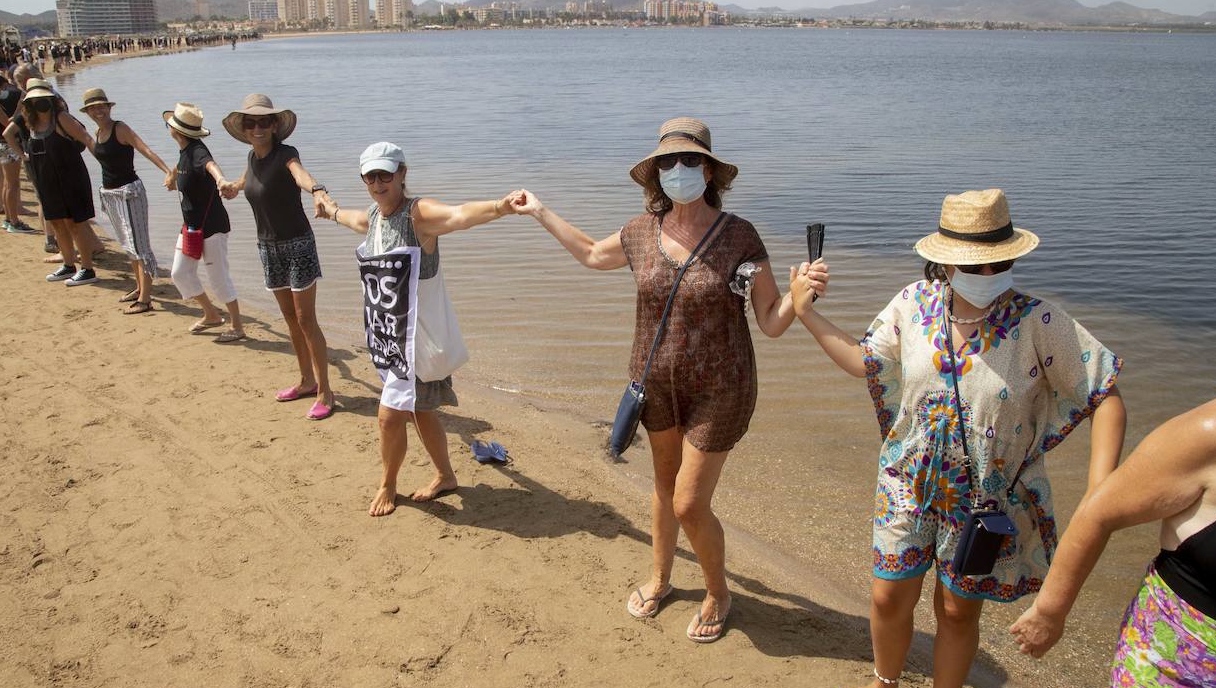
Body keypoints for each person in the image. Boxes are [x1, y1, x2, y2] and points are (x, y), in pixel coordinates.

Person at [789, 188, 1126, 688]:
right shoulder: (913, 304)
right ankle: (885, 686)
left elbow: (1105, 392)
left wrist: (1102, 493)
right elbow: (867, 362)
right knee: (887, 593)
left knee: (956, 609)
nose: (985, 273)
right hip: (906, 485)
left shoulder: (1039, 322)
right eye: (973, 263)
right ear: (945, 259)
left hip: (986, 504)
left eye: (996, 262)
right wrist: (806, 312)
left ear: (1011, 258)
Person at [516, 117, 817, 642]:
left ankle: (719, 591)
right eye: (669, 162)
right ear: (656, 174)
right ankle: (660, 576)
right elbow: (589, 253)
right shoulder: (639, 232)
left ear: (710, 171)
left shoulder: (739, 235)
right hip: (654, 381)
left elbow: (770, 321)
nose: (680, 170)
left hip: (721, 387)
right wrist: (540, 211)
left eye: (691, 160)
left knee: (688, 501)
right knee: (662, 485)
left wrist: (799, 294)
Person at [1010, 397, 1216, 688]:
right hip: (1181, 686)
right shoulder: (1213, 433)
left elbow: (1102, 386)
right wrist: (1049, 612)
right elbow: (1100, 511)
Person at [315, 142, 527, 515]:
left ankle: (388, 484)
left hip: (419, 341)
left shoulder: (418, 215)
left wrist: (500, 207)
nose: (378, 182)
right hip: (392, 342)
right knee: (421, 411)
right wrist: (330, 211)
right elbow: (352, 219)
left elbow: (459, 214)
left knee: (388, 416)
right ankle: (445, 475)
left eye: (386, 174)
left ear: (402, 174)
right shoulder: (375, 217)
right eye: (370, 176)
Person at [218, 94, 334, 415]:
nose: (257, 128)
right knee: (289, 319)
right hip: (268, 247)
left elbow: (301, 175)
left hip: (297, 244)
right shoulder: (252, 159)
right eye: (251, 122)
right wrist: (232, 187)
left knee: (305, 319)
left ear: (274, 125)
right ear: (243, 127)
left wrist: (319, 192)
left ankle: (325, 392)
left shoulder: (287, 154)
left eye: (264, 122)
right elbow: (248, 181)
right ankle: (306, 380)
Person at [162, 102, 244, 342]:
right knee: (180, 274)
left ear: (175, 131)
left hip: (212, 228)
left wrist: (222, 181)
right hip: (191, 227)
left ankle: (237, 326)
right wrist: (172, 178)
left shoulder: (197, 151)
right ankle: (211, 314)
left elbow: (210, 165)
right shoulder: (185, 151)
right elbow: (182, 170)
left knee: (219, 279)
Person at [4, 80, 99, 286]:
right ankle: (68, 264)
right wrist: (23, 156)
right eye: (36, 100)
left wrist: (107, 165)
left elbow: (86, 138)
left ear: (51, 99)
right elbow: (7, 134)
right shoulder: (29, 121)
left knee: (75, 224)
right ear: (29, 103)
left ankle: (88, 269)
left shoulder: (61, 118)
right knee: (57, 223)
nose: (40, 103)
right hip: (46, 179)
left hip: (71, 178)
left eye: (44, 99)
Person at [80, 88, 166, 314]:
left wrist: (167, 171)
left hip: (129, 192)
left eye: (101, 106)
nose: (98, 111)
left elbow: (143, 148)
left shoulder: (121, 128)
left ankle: (146, 300)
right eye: (93, 108)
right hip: (110, 194)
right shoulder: (97, 133)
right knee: (128, 245)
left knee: (140, 246)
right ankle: (139, 288)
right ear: (87, 112)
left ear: (109, 107)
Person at [0, 74, 30, 232]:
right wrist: (20, 109)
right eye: (3, 88)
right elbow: (8, 124)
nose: (5, 91)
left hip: (1, 145)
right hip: (7, 146)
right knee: (12, 185)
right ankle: (14, 221)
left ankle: (9, 219)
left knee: (8, 184)